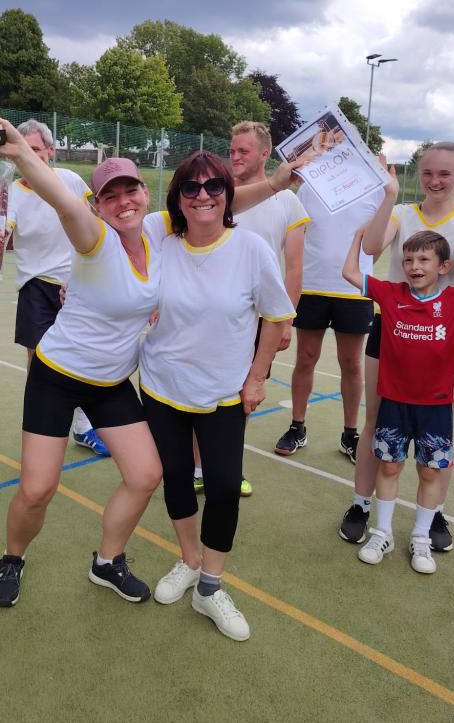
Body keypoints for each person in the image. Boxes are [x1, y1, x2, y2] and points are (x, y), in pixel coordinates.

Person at [0, 115, 304, 610]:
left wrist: (276, 184)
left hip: (112, 382)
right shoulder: (94, 237)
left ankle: (107, 561)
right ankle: (13, 557)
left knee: (146, 475)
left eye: (131, 191)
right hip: (58, 376)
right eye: (110, 196)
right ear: (98, 205)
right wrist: (22, 151)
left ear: (146, 196)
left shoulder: (156, 229)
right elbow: (62, 199)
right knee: (38, 488)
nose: (123, 202)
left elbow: (213, 206)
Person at [140, 152, 295, 641]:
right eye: (191, 187)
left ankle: (210, 585)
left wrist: (257, 376)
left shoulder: (250, 248)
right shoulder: (158, 239)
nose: (203, 196)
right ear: (177, 198)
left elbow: (277, 315)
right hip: (162, 385)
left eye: (214, 187)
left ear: (229, 195)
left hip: (225, 391)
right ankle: (189, 561)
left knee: (225, 487)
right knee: (177, 480)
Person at [337, 145, 454, 549]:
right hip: (394, 328)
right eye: (427, 172)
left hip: (447, 332)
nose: (435, 181)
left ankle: (434, 511)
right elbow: (372, 247)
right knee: (375, 421)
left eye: (445, 173)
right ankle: (361, 504)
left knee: (441, 427)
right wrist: (389, 194)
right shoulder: (401, 212)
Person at [201, 120, 308, 498]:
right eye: (232, 150)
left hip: (258, 317)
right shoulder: (216, 193)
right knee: (201, 388)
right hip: (209, 309)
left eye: (243, 151)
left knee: (243, 394)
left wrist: (286, 320)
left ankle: (227, 468)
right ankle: (198, 468)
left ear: (265, 154)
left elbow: (294, 266)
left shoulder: (289, 202)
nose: (235, 156)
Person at [6, 119, 109, 457]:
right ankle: (40, 434)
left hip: (76, 284)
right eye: (23, 149)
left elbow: (97, 217)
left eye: (35, 149)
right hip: (35, 286)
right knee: (40, 363)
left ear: (50, 151)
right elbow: (3, 230)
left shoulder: (71, 180)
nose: (29, 156)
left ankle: (82, 427)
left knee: (81, 356)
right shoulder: (12, 191)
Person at [273, 170, 384, 464]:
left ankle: (350, 434)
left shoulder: (374, 187)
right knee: (305, 358)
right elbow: (299, 233)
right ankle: (297, 427)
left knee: (351, 363)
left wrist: (359, 268)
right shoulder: (310, 185)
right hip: (312, 285)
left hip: (353, 289)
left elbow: (376, 245)